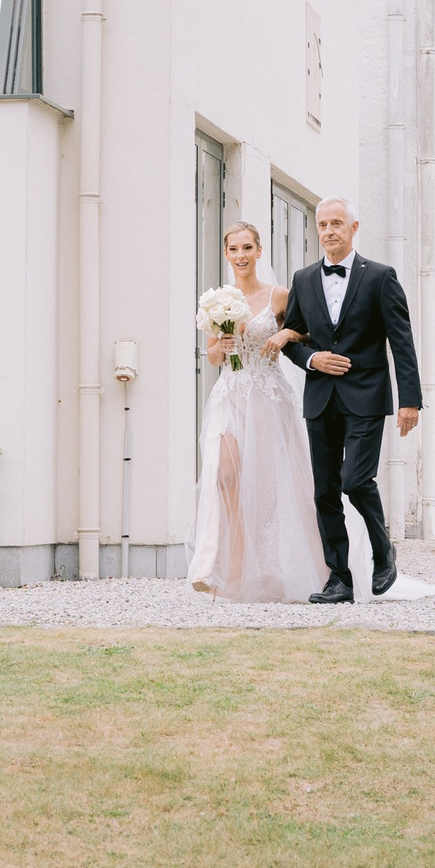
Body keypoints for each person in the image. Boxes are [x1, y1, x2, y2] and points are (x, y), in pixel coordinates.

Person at [281, 196, 424, 603]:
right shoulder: (303, 278)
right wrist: (312, 359)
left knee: (355, 480)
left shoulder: (380, 277)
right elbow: (293, 337)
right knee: (325, 490)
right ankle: (339, 578)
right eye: (322, 224)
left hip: (366, 396)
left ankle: (384, 552)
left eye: (336, 224)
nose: (329, 231)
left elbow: (402, 341)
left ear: (353, 228)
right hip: (320, 398)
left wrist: (409, 399)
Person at [186, 221, 330, 602]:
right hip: (231, 395)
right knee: (224, 473)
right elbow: (214, 354)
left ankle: (268, 569)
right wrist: (221, 345)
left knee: (263, 489)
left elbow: (309, 332)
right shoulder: (217, 301)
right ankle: (220, 567)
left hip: (267, 397)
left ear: (259, 251)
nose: (241, 256)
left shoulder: (279, 296)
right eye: (234, 249)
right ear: (226, 254)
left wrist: (286, 333)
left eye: (247, 248)